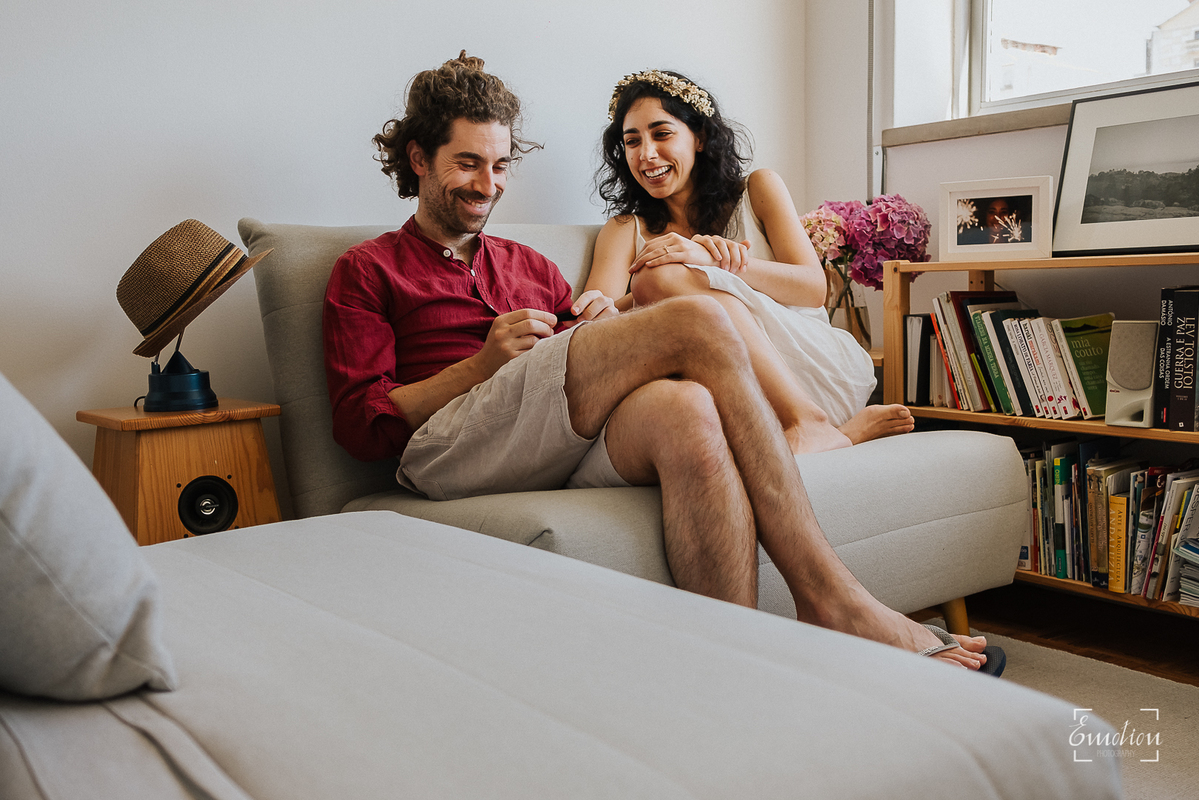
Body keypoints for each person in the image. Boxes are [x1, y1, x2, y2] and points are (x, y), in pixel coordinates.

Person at [322, 52, 994, 671]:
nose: (488, 184)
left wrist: (604, 323)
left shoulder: (526, 266)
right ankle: (833, 599)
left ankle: (735, 662)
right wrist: (479, 367)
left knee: (687, 408)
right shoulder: (368, 270)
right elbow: (362, 425)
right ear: (417, 157)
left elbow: (574, 355)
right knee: (695, 314)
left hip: (550, 438)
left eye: (500, 166)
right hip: (449, 449)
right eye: (468, 164)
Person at [587, 70, 913, 454]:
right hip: (712, 383)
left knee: (668, 277)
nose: (646, 154)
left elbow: (812, 289)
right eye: (632, 141)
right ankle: (841, 434)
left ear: (701, 137)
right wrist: (647, 290)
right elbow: (597, 326)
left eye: (662, 134)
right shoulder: (625, 229)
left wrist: (714, 262)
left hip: (805, 364)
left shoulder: (759, 188)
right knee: (662, 283)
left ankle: (807, 419)